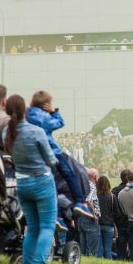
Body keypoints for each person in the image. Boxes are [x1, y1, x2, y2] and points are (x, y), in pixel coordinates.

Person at [1, 94, 56, 264]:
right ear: (25, 111)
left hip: (21, 183)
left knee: (32, 228)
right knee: (47, 227)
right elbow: (51, 159)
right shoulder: (36, 131)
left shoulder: (6, 134)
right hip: (42, 181)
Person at [25, 91, 91, 219]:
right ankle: (80, 202)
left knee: (52, 182)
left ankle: (57, 215)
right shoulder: (44, 117)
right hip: (53, 151)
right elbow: (59, 123)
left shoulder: (26, 116)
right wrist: (53, 111)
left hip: (36, 154)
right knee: (70, 174)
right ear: (46, 104)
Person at [77, 168, 101, 257]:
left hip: (81, 218)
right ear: (95, 176)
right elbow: (88, 200)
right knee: (91, 250)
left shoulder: (82, 186)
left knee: (83, 250)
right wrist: (94, 214)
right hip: (89, 219)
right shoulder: (92, 186)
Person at [111, 170, 130, 259]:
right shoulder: (132, 190)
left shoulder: (115, 190)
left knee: (121, 245)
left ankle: (121, 258)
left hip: (119, 222)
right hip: (130, 220)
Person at [95, 175, 115, 259]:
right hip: (109, 225)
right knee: (108, 249)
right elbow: (116, 212)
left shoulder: (95, 196)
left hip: (97, 224)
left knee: (99, 249)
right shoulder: (112, 197)